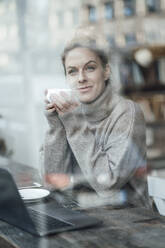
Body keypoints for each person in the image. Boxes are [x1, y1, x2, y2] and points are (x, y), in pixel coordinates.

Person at [40, 27, 151, 208]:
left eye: (90, 68)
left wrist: (74, 125)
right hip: (81, 215)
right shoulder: (70, 113)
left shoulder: (127, 112)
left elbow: (107, 185)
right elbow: (53, 182)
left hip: (127, 222)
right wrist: (56, 126)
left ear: (106, 71)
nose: (81, 78)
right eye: (72, 71)